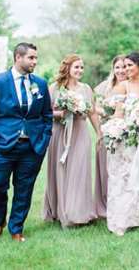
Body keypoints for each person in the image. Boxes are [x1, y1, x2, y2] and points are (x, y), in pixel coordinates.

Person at [0, 42, 52, 242]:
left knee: (24, 189)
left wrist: (44, 140)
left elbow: (47, 114)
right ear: (18, 58)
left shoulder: (41, 83)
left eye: (36, 58)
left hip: (32, 147)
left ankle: (16, 229)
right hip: (2, 146)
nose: (35, 62)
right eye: (31, 58)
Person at [43, 54, 101, 228]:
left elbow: (91, 112)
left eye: (82, 67)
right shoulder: (54, 88)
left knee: (79, 170)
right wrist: (61, 114)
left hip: (80, 132)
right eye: (76, 67)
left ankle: (78, 212)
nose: (80, 70)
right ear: (67, 68)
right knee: (61, 171)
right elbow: (45, 113)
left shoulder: (86, 89)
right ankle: (60, 211)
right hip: (60, 132)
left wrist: (99, 132)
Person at [105, 52, 139, 235]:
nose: (126, 70)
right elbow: (117, 113)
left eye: (130, 65)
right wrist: (117, 130)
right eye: (124, 66)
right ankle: (122, 219)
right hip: (127, 138)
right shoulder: (123, 86)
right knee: (123, 178)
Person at [94, 55, 127, 219]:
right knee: (106, 168)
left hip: (127, 131)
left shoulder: (132, 85)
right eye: (117, 67)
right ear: (113, 69)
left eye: (124, 67)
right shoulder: (103, 87)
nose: (121, 71)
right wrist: (106, 112)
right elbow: (94, 107)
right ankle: (105, 204)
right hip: (108, 130)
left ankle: (124, 205)